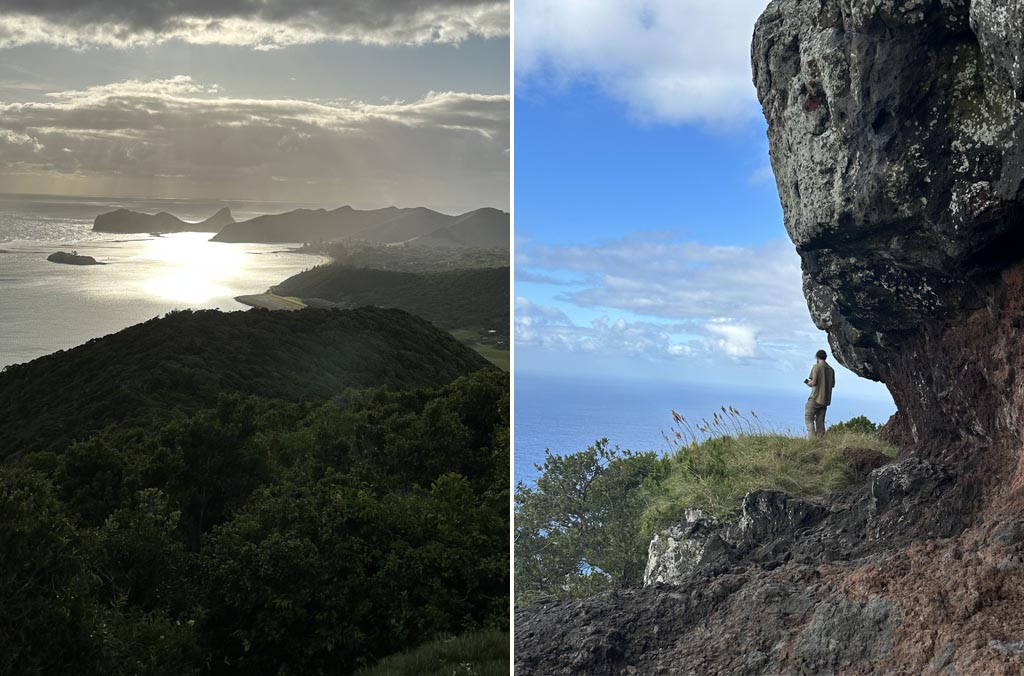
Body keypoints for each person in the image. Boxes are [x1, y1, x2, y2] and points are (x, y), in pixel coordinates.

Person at [804, 349, 835, 437]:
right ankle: (820, 441)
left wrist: (807, 382)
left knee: (808, 419)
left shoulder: (816, 367)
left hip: (815, 397)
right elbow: (832, 385)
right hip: (825, 400)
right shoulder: (831, 370)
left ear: (817, 357)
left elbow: (813, 382)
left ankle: (811, 440)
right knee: (820, 422)